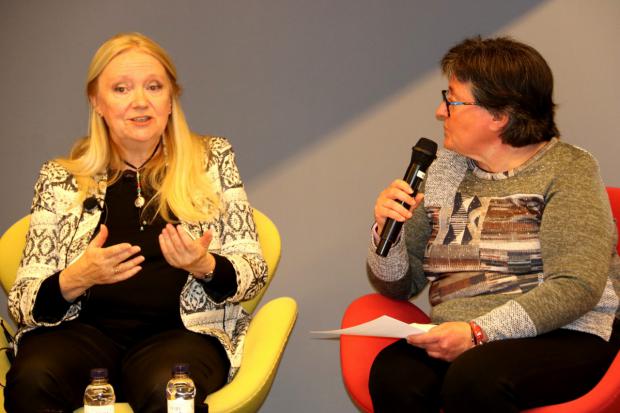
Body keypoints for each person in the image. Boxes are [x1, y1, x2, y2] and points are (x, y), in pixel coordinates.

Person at [5, 32, 267, 413]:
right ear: (97, 101)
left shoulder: (212, 161)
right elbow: (23, 303)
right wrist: (77, 277)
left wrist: (204, 266)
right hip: (84, 336)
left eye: (154, 87)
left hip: (181, 336)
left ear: (172, 98)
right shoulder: (60, 178)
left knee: (169, 388)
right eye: (122, 89)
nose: (140, 102)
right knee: (34, 377)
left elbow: (253, 271)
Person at [367, 36, 619, 412]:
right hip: (457, 335)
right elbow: (401, 286)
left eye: (451, 99)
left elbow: (576, 286)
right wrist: (387, 233)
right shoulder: (442, 171)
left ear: (500, 115)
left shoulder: (568, 169)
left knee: (475, 379)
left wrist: (478, 333)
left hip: (562, 332)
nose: (440, 111)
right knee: (394, 376)